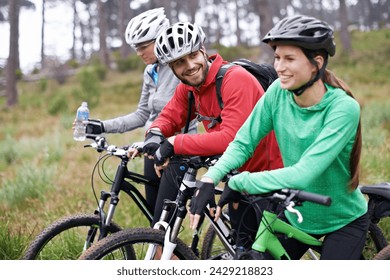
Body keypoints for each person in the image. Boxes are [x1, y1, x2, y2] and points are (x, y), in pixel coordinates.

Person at [189, 15, 369, 260]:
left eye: (289, 59)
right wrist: (211, 178)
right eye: (277, 58)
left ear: (316, 63)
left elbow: (303, 173)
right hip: (296, 214)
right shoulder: (277, 92)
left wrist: (240, 182)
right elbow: (244, 142)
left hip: (342, 220)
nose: (279, 67)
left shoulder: (343, 108)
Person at [141, 21, 283, 242]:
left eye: (193, 55)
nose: (189, 65)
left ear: (203, 50)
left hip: (271, 177)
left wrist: (175, 143)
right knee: (243, 251)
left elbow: (231, 138)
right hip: (238, 179)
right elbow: (170, 116)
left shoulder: (235, 79)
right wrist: (155, 133)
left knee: (273, 255)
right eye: (179, 62)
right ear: (171, 68)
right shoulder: (189, 88)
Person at [83, 8, 196, 215]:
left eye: (143, 46)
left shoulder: (178, 69)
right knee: (154, 218)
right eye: (136, 47)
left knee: (162, 222)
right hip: (153, 148)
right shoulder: (150, 71)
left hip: (177, 150)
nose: (138, 53)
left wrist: (152, 144)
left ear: (161, 38)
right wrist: (101, 126)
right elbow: (143, 114)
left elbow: (179, 116)